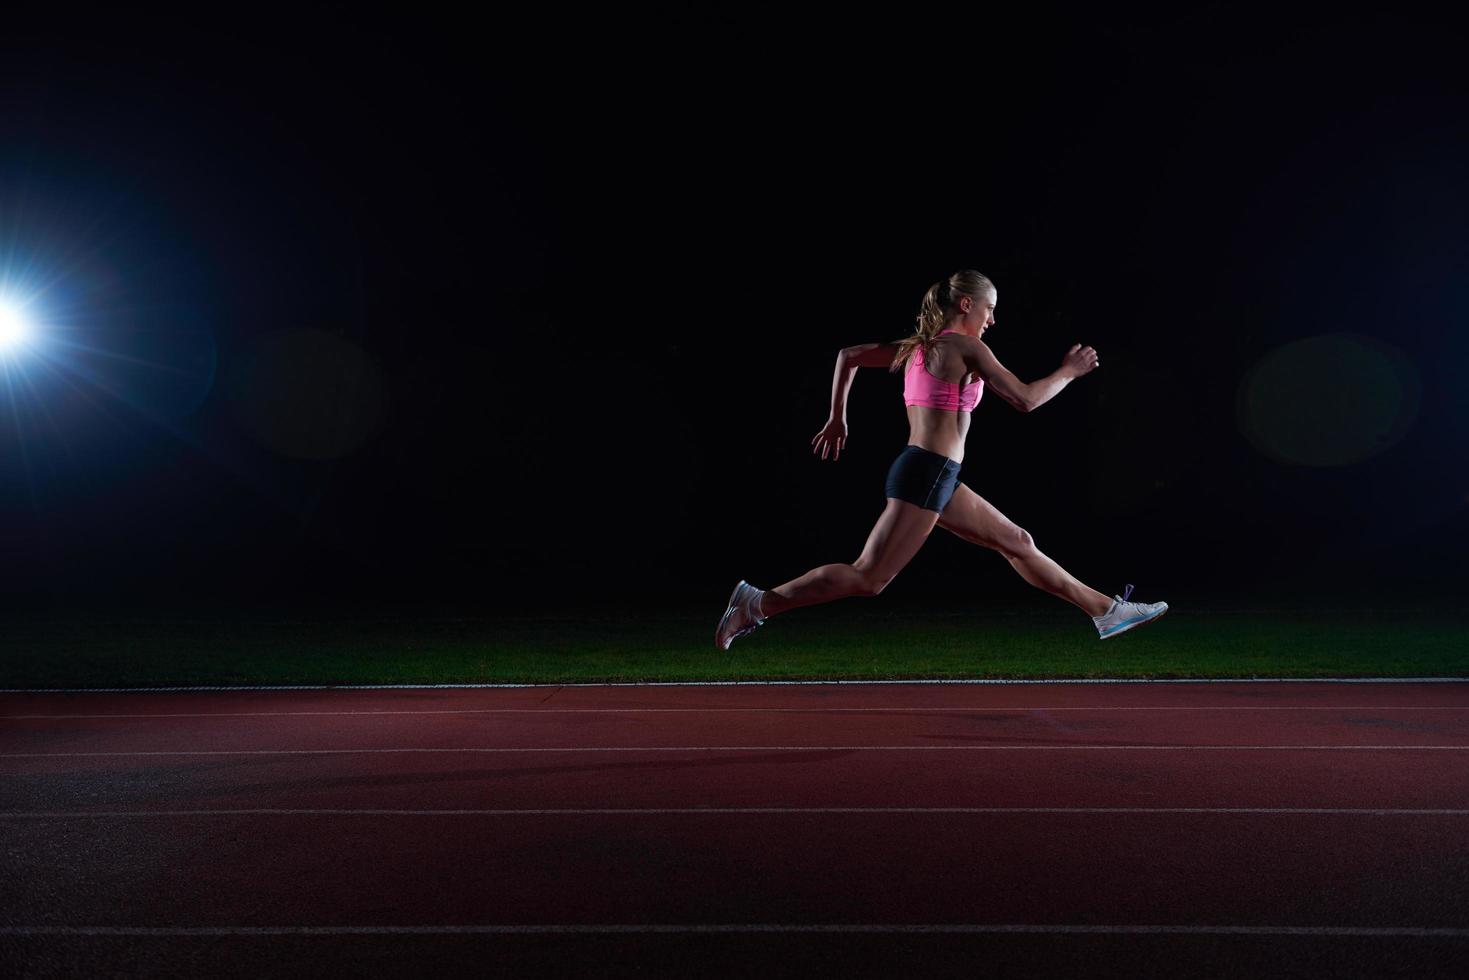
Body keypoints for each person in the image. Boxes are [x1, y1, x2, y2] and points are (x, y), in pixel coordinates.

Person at [715, 270, 1168, 650]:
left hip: (935, 474)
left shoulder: (917, 347)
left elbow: (848, 356)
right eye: (990, 309)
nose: (993, 319)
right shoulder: (967, 348)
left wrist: (838, 419)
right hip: (928, 472)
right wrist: (1069, 372)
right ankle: (758, 603)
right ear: (967, 305)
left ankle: (1106, 611)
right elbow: (1026, 400)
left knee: (1017, 541)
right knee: (869, 578)